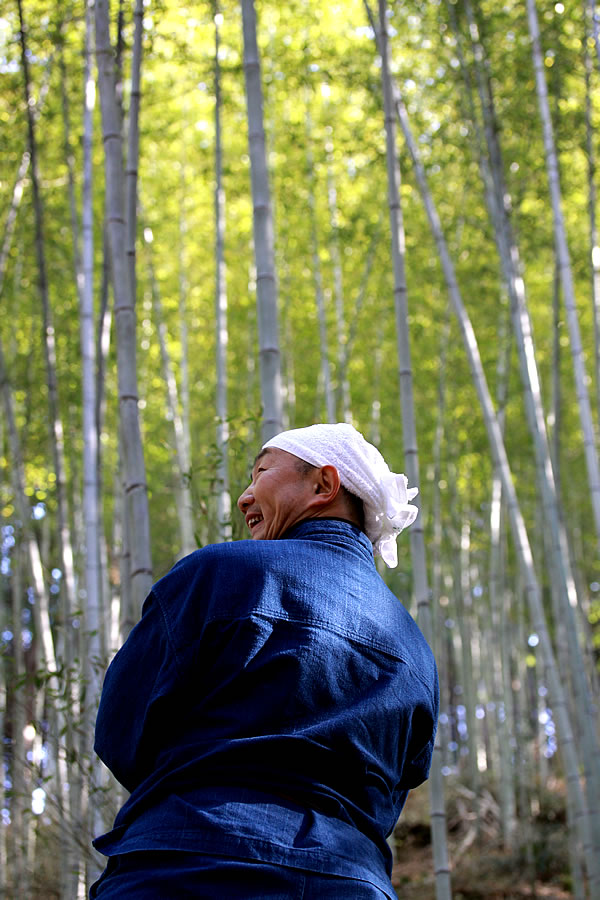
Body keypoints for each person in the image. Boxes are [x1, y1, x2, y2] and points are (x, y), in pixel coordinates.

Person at [90, 423, 438, 899]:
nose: (244, 497)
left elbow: (119, 728)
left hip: (190, 866)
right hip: (350, 883)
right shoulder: (414, 647)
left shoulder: (217, 574)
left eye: (261, 473)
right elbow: (396, 788)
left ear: (323, 485)